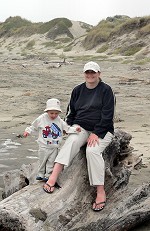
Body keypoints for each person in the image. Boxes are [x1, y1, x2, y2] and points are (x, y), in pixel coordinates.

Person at [43, 61, 115, 212]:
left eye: (93, 72)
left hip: (102, 130)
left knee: (92, 151)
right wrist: (68, 127)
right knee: (71, 141)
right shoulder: (77, 90)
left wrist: (96, 132)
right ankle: (53, 177)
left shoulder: (106, 90)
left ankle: (100, 191)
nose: (90, 75)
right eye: (87, 72)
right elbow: (71, 112)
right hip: (81, 127)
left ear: (99, 74)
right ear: (84, 74)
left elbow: (108, 116)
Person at [23, 98, 81, 182]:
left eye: (56, 113)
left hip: (54, 146)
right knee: (42, 160)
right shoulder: (41, 119)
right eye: (51, 113)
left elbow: (67, 129)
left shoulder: (60, 121)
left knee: (51, 162)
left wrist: (75, 130)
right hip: (43, 146)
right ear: (47, 111)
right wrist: (27, 131)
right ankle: (40, 174)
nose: (54, 115)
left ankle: (48, 175)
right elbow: (33, 126)